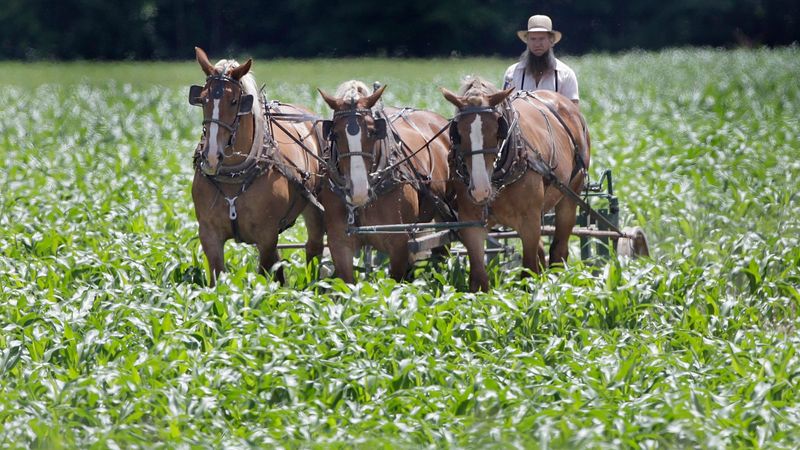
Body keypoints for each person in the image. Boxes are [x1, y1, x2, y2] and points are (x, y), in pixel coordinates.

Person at [503, 15, 580, 105]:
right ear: (527, 41)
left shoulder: (566, 74)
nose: (537, 44)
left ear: (551, 41)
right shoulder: (512, 73)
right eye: (533, 39)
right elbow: (505, 107)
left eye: (542, 39)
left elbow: (573, 112)